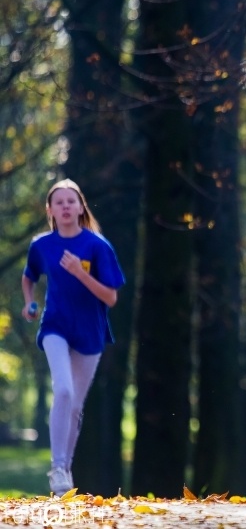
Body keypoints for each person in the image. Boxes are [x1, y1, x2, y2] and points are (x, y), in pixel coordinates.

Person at [21, 179, 125, 496]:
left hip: (90, 331)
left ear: (81, 208)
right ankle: (56, 468)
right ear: (50, 210)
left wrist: (81, 273)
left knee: (76, 406)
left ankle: (65, 468)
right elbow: (29, 277)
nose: (66, 207)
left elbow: (110, 298)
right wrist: (29, 303)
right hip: (55, 325)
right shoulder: (41, 245)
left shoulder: (97, 247)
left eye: (71, 201)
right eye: (59, 202)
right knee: (63, 390)